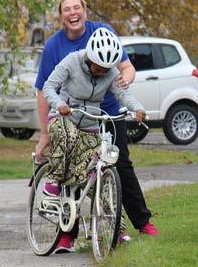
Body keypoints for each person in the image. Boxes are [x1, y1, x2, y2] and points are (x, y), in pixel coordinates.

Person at [34, 0, 160, 254]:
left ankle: (132, 224)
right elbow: (44, 89)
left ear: (85, 10)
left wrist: (134, 103)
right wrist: (45, 132)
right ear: (61, 16)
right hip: (70, 114)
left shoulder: (102, 33)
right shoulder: (57, 48)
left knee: (117, 167)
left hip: (107, 113)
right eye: (67, 9)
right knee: (72, 167)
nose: (72, 12)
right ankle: (67, 234)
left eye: (77, 7)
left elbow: (124, 71)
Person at [42, 28, 146, 190]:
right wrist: (59, 104)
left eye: (105, 71)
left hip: (89, 124)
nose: (101, 74)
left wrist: (138, 108)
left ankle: (105, 209)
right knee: (68, 136)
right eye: (98, 69)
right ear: (89, 58)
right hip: (62, 117)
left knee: (98, 161)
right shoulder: (72, 61)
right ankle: (52, 184)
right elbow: (48, 87)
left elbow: (123, 94)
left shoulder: (110, 72)